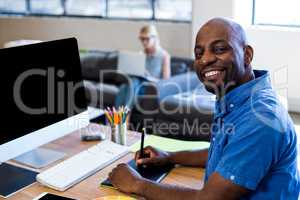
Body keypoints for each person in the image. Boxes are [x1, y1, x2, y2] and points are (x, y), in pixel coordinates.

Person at [108, 18, 300, 199]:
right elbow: (225, 152)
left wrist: (138, 184)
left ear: (247, 55)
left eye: (219, 49)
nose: (205, 59)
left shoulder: (260, 118)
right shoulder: (235, 96)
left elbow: (209, 198)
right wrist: (169, 156)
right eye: (199, 53)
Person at [114, 25, 171, 108]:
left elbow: (166, 82)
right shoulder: (141, 54)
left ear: (154, 38)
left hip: (151, 87)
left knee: (132, 83)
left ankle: (124, 117)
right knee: (124, 86)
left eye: (147, 39)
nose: (144, 42)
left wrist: (148, 76)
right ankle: (119, 118)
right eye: (142, 39)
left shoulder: (164, 56)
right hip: (138, 84)